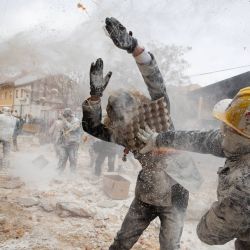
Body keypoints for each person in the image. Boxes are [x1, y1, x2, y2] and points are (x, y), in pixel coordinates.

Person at [82, 17, 194, 250]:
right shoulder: (122, 133)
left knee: (170, 244)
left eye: (126, 113)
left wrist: (134, 48)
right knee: (122, 241)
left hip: (176, 192)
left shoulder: (159, 116)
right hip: (146, 193)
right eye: (117, 117)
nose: (124, 121)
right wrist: (95, 97)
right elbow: (92, 128)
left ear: (137, 105)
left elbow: (156, 83)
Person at [138, 87, 250, 250]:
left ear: (239, 134)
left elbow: (209, 233)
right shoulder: (240, 142)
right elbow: (203, 139)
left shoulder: (244, 184)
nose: (222, 130)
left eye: (228, 127)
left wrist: (203, 211)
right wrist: (159, 139)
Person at [57, 108, 81, 173]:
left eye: (66, 117)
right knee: (62, 158)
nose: (66, 118)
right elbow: (61, 131)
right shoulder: (64, 121)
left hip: (73, 144)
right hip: (64, 143)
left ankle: (72, 174)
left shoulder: (76, 121)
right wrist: (58, 141)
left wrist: (65, 121)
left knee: (72, 159)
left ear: (70, 116)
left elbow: (72, 128)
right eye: (64, 117)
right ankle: (59, 173)